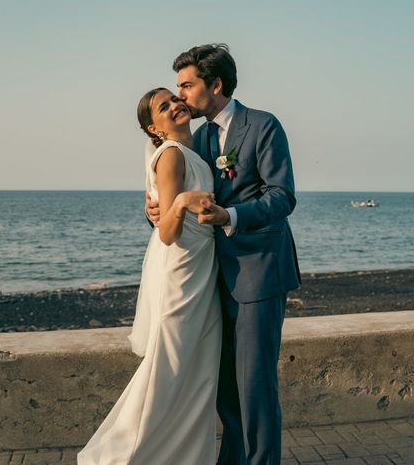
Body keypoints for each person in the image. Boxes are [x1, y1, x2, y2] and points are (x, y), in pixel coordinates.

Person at [147, 44, 301, 465]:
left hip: (258, 274)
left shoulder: (263, 126)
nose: (179, 96)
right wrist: (155, 211)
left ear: (215, 85)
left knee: (254, 387)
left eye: (186, 85)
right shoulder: (198, 138)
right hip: (211, 280)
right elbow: (179, 198)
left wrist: (229, 214)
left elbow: (282, 197)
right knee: (225, 391)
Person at [78, 89, 222, 464]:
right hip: (182, 272)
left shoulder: (195, 148)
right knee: (168, 370)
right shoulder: (171, 155)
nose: (176, 105)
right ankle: (117, 457)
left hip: (203, 267)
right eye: (164, 106)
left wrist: (171, 203)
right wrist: (181, 202)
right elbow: (168, 232)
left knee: (199, 373)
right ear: (152, 128)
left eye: (176, 98)